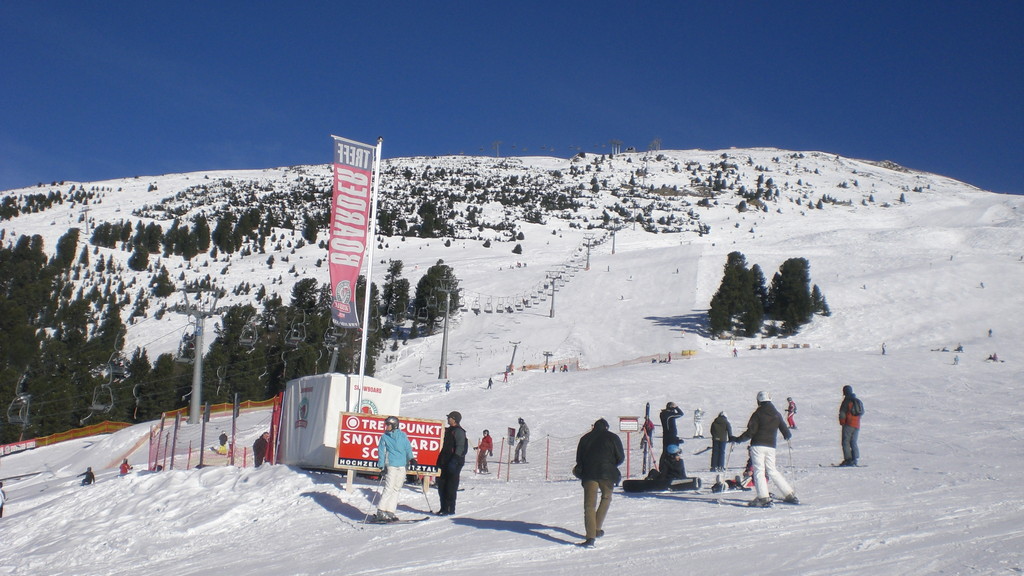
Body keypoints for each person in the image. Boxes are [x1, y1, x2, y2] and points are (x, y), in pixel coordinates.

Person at [731, 391, 798, 507]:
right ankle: (789, 494)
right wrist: (787, 436)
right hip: (771, 446)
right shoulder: (776, 414)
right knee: (772, 470)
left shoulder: (758, 413)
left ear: (758, 401)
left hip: (758, 445)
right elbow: (786, 431)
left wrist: (738, 439)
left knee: (759, 471)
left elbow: (751, 432)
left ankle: (763, 498)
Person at [574, 418, 624, 548]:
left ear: (594, 427)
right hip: (607, 474)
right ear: (606, 427)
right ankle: (597, 529)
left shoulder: (585, 438)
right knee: (606, 498)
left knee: (589, 505)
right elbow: (620, 457)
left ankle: (590, 537)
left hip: (589, 474)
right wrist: (610, 464)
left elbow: (579, 459)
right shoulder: (613, 437)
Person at [373, 416, 416, 523]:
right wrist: (381, 466)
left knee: (397, 489)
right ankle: (381, 511)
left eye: (388, 425)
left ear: (394, 426)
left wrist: (412, 458)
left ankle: (390, 511)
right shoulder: (384, 437)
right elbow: (381, 452)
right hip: (391, 465)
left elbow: (407, 448)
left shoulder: (402, 435)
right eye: (386, 424)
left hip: (402, 465)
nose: (386, 427)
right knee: (389, 488)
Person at [436, 411, 468, 516]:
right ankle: (443, 508)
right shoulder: (448, 430)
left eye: (450, 417)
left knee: (450, 486)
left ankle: (450, 509)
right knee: (442, 485)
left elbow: (460, 446)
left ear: (454, 419)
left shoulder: (459, 431)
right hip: (444, 461)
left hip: (454, 462)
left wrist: (454, 460)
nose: (448, 419)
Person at [838, 385, 863, 466]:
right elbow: (861, 412)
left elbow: (842, 413)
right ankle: (854, 459)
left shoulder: (846, 401)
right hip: (856, 425)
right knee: (853, 441)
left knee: (845, 442)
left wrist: (842, 422)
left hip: (848, 424)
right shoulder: (857, 401)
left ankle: (848, 459)